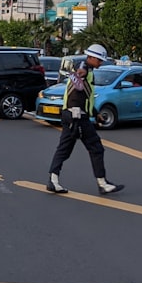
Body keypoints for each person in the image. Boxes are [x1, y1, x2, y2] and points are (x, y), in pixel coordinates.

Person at [46, 43, 124, 195]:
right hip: (77, 116)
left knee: (64, 149)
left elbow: (86, 97)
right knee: (96, 147)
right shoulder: (84, 68)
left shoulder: (88, 71)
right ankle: (102, 183)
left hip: (72, 115)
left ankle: (53, 180)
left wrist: (95, 113)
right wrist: (79, 73)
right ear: (91, 57)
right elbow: (79, 75)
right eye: (99, 60)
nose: (101, 63)